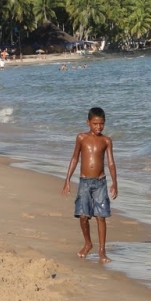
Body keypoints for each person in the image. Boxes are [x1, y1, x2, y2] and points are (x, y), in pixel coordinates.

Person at [61, 107, 118, 264]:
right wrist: (67, 180)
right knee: (83, 216)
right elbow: (74, 159)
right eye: (95, 124)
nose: (98, 127)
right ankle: (88, 243)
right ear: (88, 123)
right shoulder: (81, 138)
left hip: (100, 182)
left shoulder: (106, 141)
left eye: (101, 124)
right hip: (85, 182)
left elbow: (111, 163)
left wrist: (115, 183)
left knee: (101, 216)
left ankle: (102, 250)